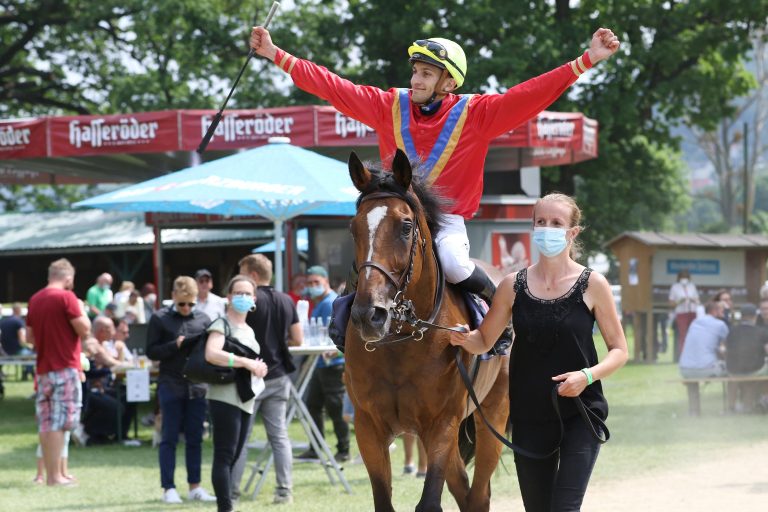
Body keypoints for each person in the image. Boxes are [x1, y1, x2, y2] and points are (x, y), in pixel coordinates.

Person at [249, 25, 619, 345]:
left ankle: (500, 319)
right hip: (398, 218)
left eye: (427, 74)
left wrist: (586, 59)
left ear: (448, 82)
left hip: (447, 222)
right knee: (369, 258)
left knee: (456, 265)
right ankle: (345, 325)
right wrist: (274, 53)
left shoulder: (477, 114)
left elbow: (531, 94)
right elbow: (332, 86)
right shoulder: (387, 105)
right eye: (415, 72)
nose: (416, 80)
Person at [449, 193, 628, 511]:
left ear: (572, 232)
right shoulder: (511, 285)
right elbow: (483, 341)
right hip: (529, 416)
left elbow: (619, 350)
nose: (547, 229)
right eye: (540, 222)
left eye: (556, 223)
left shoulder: (592, 284)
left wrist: (586, 376)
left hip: (580, 413)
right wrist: (462, 338)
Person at [231, 254, 303, 506]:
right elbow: (299, 338)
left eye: (241, 273)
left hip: (249, 376)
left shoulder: (247, 302)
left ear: (252, 275)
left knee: (242, 436)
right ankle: (285, 490)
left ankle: (232, 492)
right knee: (280, 436)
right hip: (279, 375)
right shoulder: (286, 300)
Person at [145, 276, 216, 504]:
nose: (186, 308)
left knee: (195, 437)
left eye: (191, 304)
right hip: (170, 383)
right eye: (182, 303)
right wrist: (173, 345)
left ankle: (195, 486)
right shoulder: (159, 319)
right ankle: (169, 488)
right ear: (173, 297)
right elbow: (151, 351)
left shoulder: (204, 319)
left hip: (197, 386)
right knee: (169, 437)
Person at [204, 275, 268, 512]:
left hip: (245, 399)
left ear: (254, 299)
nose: (242, 297)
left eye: (247, 294)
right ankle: (225, 507)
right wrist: (246, 362)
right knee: (224, 455)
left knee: (234, 455)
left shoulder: (248, 329)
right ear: (228, 297)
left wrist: (257, 367)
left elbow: (248, 363)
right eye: (237, 293)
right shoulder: (221, 324)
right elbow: (212, 354)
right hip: (224, 397)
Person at [26, 258, 91, 486]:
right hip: (65, 367)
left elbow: (29, 338)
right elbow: (84, 328)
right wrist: (81, 309)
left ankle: (53, 474)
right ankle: (55, 477)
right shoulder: (67, 297)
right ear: (68, 278)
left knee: (46, 422)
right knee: (60, 422)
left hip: (43, 370)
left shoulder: (35, 299)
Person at [296, 265, 349, 463]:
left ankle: (343, 450)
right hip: (318, 363)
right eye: (310, 283)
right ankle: (316, 447)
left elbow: (342, 332)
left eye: (317, 282)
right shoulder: (318, 303)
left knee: (336, 408)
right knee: (313, 406)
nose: (313, 286)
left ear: (326, 282)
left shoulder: (332, 302)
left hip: (333, 363)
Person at [724, 303, 768, 412]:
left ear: (741, 316)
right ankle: (762, 401)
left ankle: (732, 407)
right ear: (755, 316)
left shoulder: (731, 331)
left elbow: (725, 349)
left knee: (736, 377)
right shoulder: (761, 332)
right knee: (761, 373)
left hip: (733, 370)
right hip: (754, 370)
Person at [678, 301, 729, 379]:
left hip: (685, 369)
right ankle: (732, 391)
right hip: (707, 369)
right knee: (732, 368)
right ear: (714, 311)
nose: (724, 313)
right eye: (722, 311)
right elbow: (728, 345)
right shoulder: (720, 325)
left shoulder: (694, 323)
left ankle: (693, 391)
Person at [668, 270, 700, 359]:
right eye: (682, 277)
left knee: (693, 334)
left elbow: (698, 300)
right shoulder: (675, 287)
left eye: (686, 277)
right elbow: (671, 303)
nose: (684, 279)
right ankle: (683, 356)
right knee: (683, 335)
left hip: (692, 312)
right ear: (679, 278)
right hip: (681, 313)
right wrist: (679, 301)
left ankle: (693, 355)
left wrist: (693, 299)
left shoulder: (692, 286)